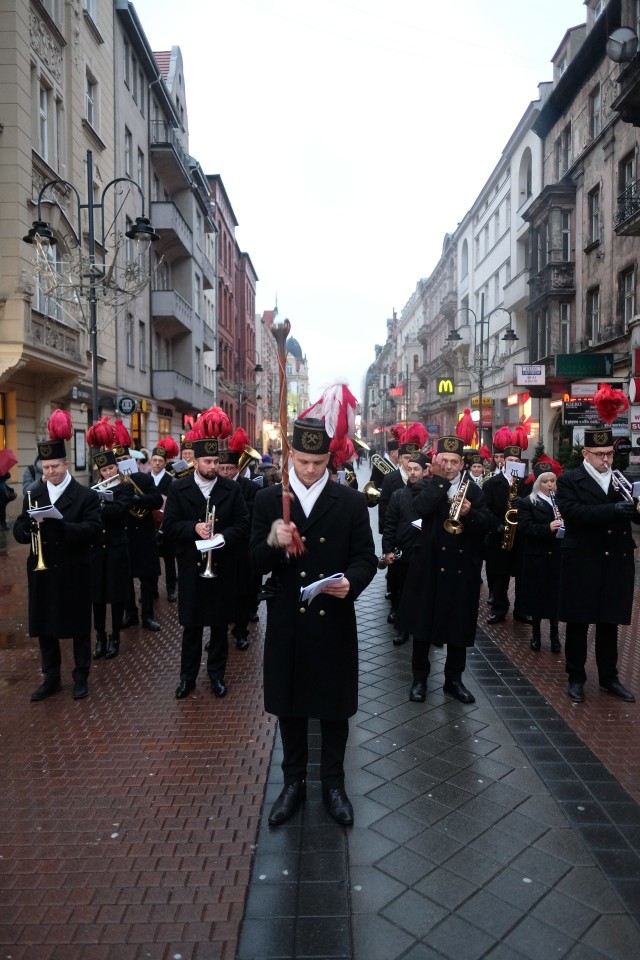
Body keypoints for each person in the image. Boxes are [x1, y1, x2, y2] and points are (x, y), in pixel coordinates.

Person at [250, 414, 376, 827]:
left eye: (317, 463)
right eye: (302, 461)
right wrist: (273, 541)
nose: (309, 470)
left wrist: (351, 583)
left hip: (333, 619)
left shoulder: (351, 502)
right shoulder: (270, 500)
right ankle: (293, 782)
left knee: (333, 706)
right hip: (288, 618)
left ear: (329, 461)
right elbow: (253, 561)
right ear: (290, 456)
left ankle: (333, 785)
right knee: (291, 705)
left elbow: (365, 558)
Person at [399, 436, 495, 705]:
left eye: (454, 462)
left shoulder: (474, 490)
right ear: (436, 462)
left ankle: (453, 680)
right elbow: (417, 510)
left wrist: (470, 514)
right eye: (444, 461)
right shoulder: (426, 485)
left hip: (461, 568)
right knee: (422, 625)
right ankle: (420, 679)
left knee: (458, 626)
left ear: (462, 463)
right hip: (428, 566)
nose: (450, 466)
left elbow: (489, 524)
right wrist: (440, 481)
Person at [13, 417, 102, 701]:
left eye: (55, 466)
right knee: (45, 626)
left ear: (66, 465)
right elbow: (19, 529)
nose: (50, 472)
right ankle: (51, 677)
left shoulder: (85, 495)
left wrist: (64, 528)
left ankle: (80, 677)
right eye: (46, 467)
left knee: (77, 626)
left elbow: (93, 529)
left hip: (73, 569)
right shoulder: (34, 494)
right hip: (42, 569)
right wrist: (25, 528)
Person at [163, 434, 250, 699]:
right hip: (191, 566)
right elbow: (168, 527)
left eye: (215, 461)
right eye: (207, 461)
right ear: (195, 462)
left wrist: (222, 537)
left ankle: (216, 676)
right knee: (191, 627)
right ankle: (187, 678)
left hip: (221, 566)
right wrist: (194, 527)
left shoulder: (231, 489)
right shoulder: (179, 489)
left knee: (220, 626)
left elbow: (244, 524)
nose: (213, 466)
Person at [555, 427, 637, 703]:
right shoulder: (569, 480)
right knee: (579, 622)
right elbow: (573, 513)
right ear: (586, 454)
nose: (606, 460)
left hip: (615, 560)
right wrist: (611, 511)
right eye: (600, 454)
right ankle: (576, 677)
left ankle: (609, 678)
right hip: (583, 560)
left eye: (609, 454)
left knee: (609, 622)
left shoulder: (620, 479)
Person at [378, 423, 428, 624]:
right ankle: (396, 610)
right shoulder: (391, 480)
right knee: (396, 578)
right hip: (399, 535)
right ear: (400, 459)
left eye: (414, 462)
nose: (410, 466)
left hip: (418, 540)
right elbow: (385, 509)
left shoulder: (426, 485)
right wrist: (387, 540)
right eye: (406, 459)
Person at [113, 435, 164, 632]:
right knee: (126, 578)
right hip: (123, 534)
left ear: (131, 460)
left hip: (143, 533)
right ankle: (130, 614)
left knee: (146, 578)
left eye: (124, 459)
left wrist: (138, 498)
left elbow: (157, 501)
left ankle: (148, 616)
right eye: (117, 461)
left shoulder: (144, 478)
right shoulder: (112, 482)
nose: (121, 463)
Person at [90, 449, 134, 659]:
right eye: (104, 470)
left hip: (117, 548)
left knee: (116, 595)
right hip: (98, 550)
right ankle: (100, 637)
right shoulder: (93, 490)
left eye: (110, 468)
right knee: (97, 596)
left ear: (116, 468)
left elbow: (119, 510)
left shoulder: (125, 487)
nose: (108, 473)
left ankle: (115, 636)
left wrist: (99, 506)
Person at [216, 439, 260, 650]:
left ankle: (241, 632)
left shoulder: (250, 488)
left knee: (242, 593)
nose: (225, 472)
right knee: (220, 594)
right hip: (220, 549)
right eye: (222, 468)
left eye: (229, 468)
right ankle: (219, 634)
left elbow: (252, 514)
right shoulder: (213, 488)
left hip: (242, 548)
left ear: (238, 468)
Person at [482, 443, 531, 625]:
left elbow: (533, 507)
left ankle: (521, 610)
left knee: (521, 576)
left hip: (520, 536)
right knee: (500, 574)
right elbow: (485, 509)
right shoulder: (491, 484)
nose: (513, 463)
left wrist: (524, 504)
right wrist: (497, 525)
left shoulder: (526, 484)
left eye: (517, 461)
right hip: (500, 535)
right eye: (510, 460)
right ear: (503, 462)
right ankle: (499, 609)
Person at [517, 461, 563, 653]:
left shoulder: (560, 502)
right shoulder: (528, 502)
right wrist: (547, 528)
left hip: (556, 555)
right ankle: (536, 634)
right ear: (538, 483)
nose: (550, 485)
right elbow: (525, 527)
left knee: (555, 597)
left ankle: (554, 635)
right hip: (537, 555)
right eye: (546, 482)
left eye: (552, 481)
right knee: (536, 596)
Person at [149, 442, 177, 602]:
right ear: (151, 461)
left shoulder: (171, 481)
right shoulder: (145, 479)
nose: (157, 463)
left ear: (165, 463)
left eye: (160, 460)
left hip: (166, 526)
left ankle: (171, 589)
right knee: (152, 561)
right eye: (155, 460)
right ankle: (152, 590)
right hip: (150, 527)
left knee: (169, 560)